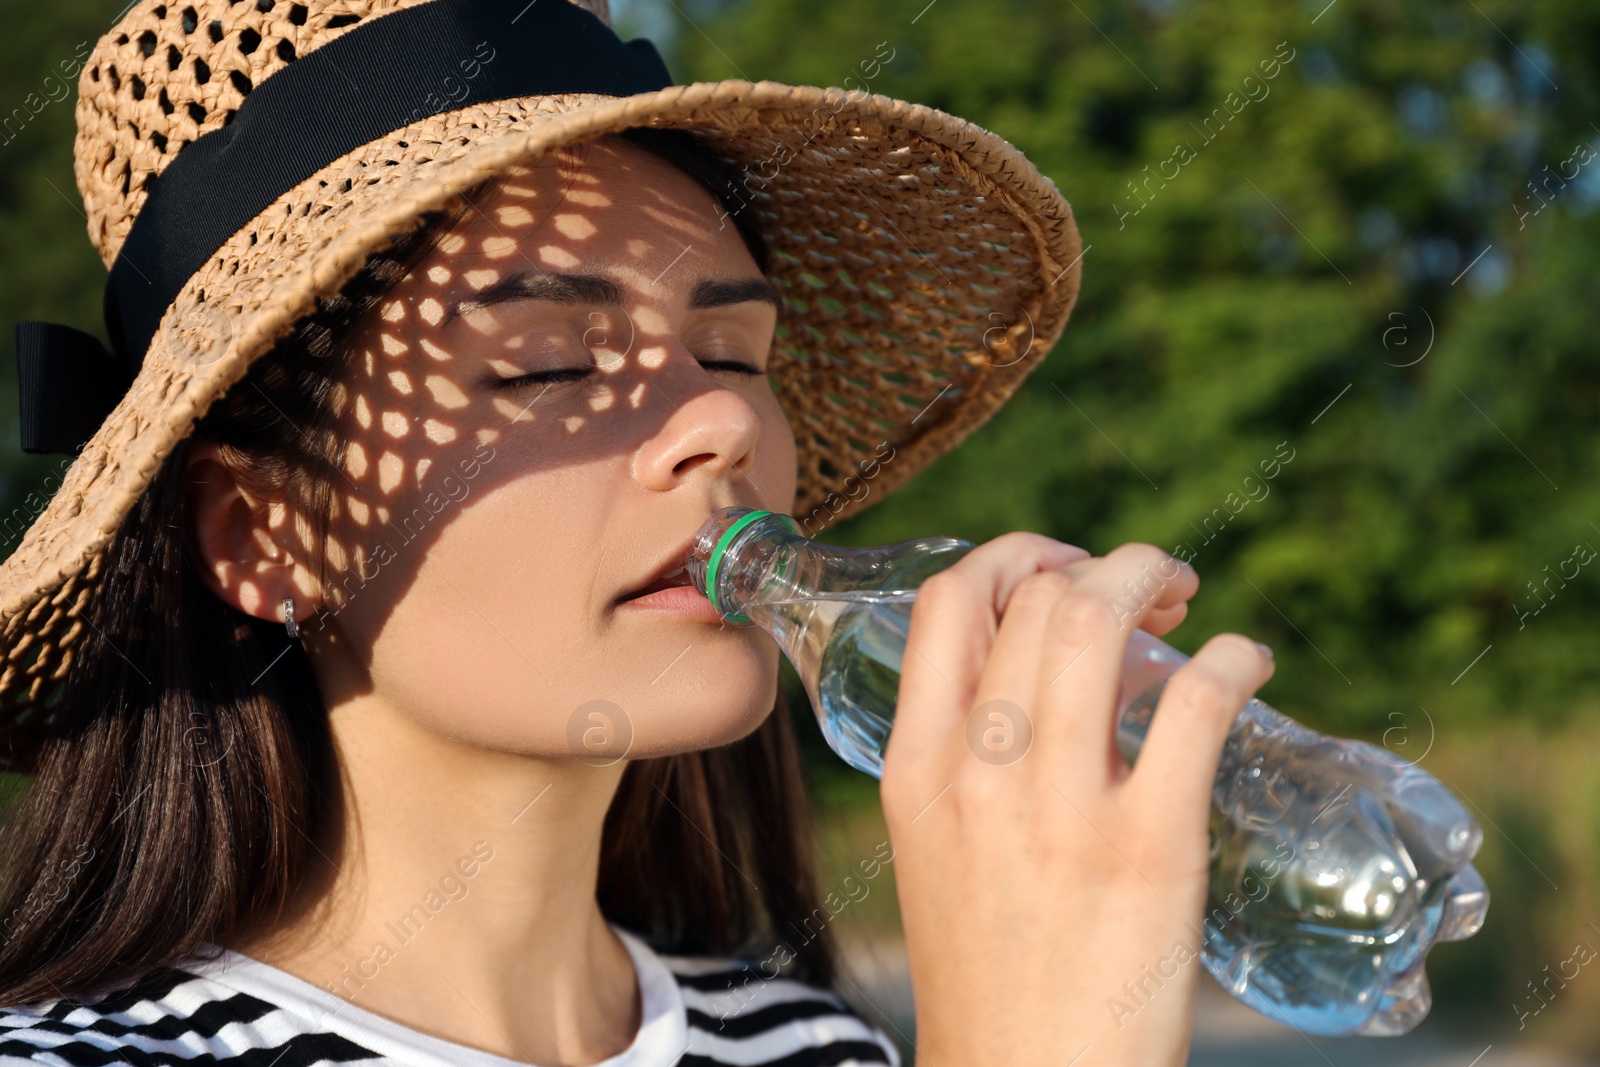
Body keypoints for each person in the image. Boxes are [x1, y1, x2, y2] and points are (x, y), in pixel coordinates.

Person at [0, 1, 1274, 1064]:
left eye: (733, 350)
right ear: (260, 535)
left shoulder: (820, 1046)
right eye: (550, 364)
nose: (719, 418)